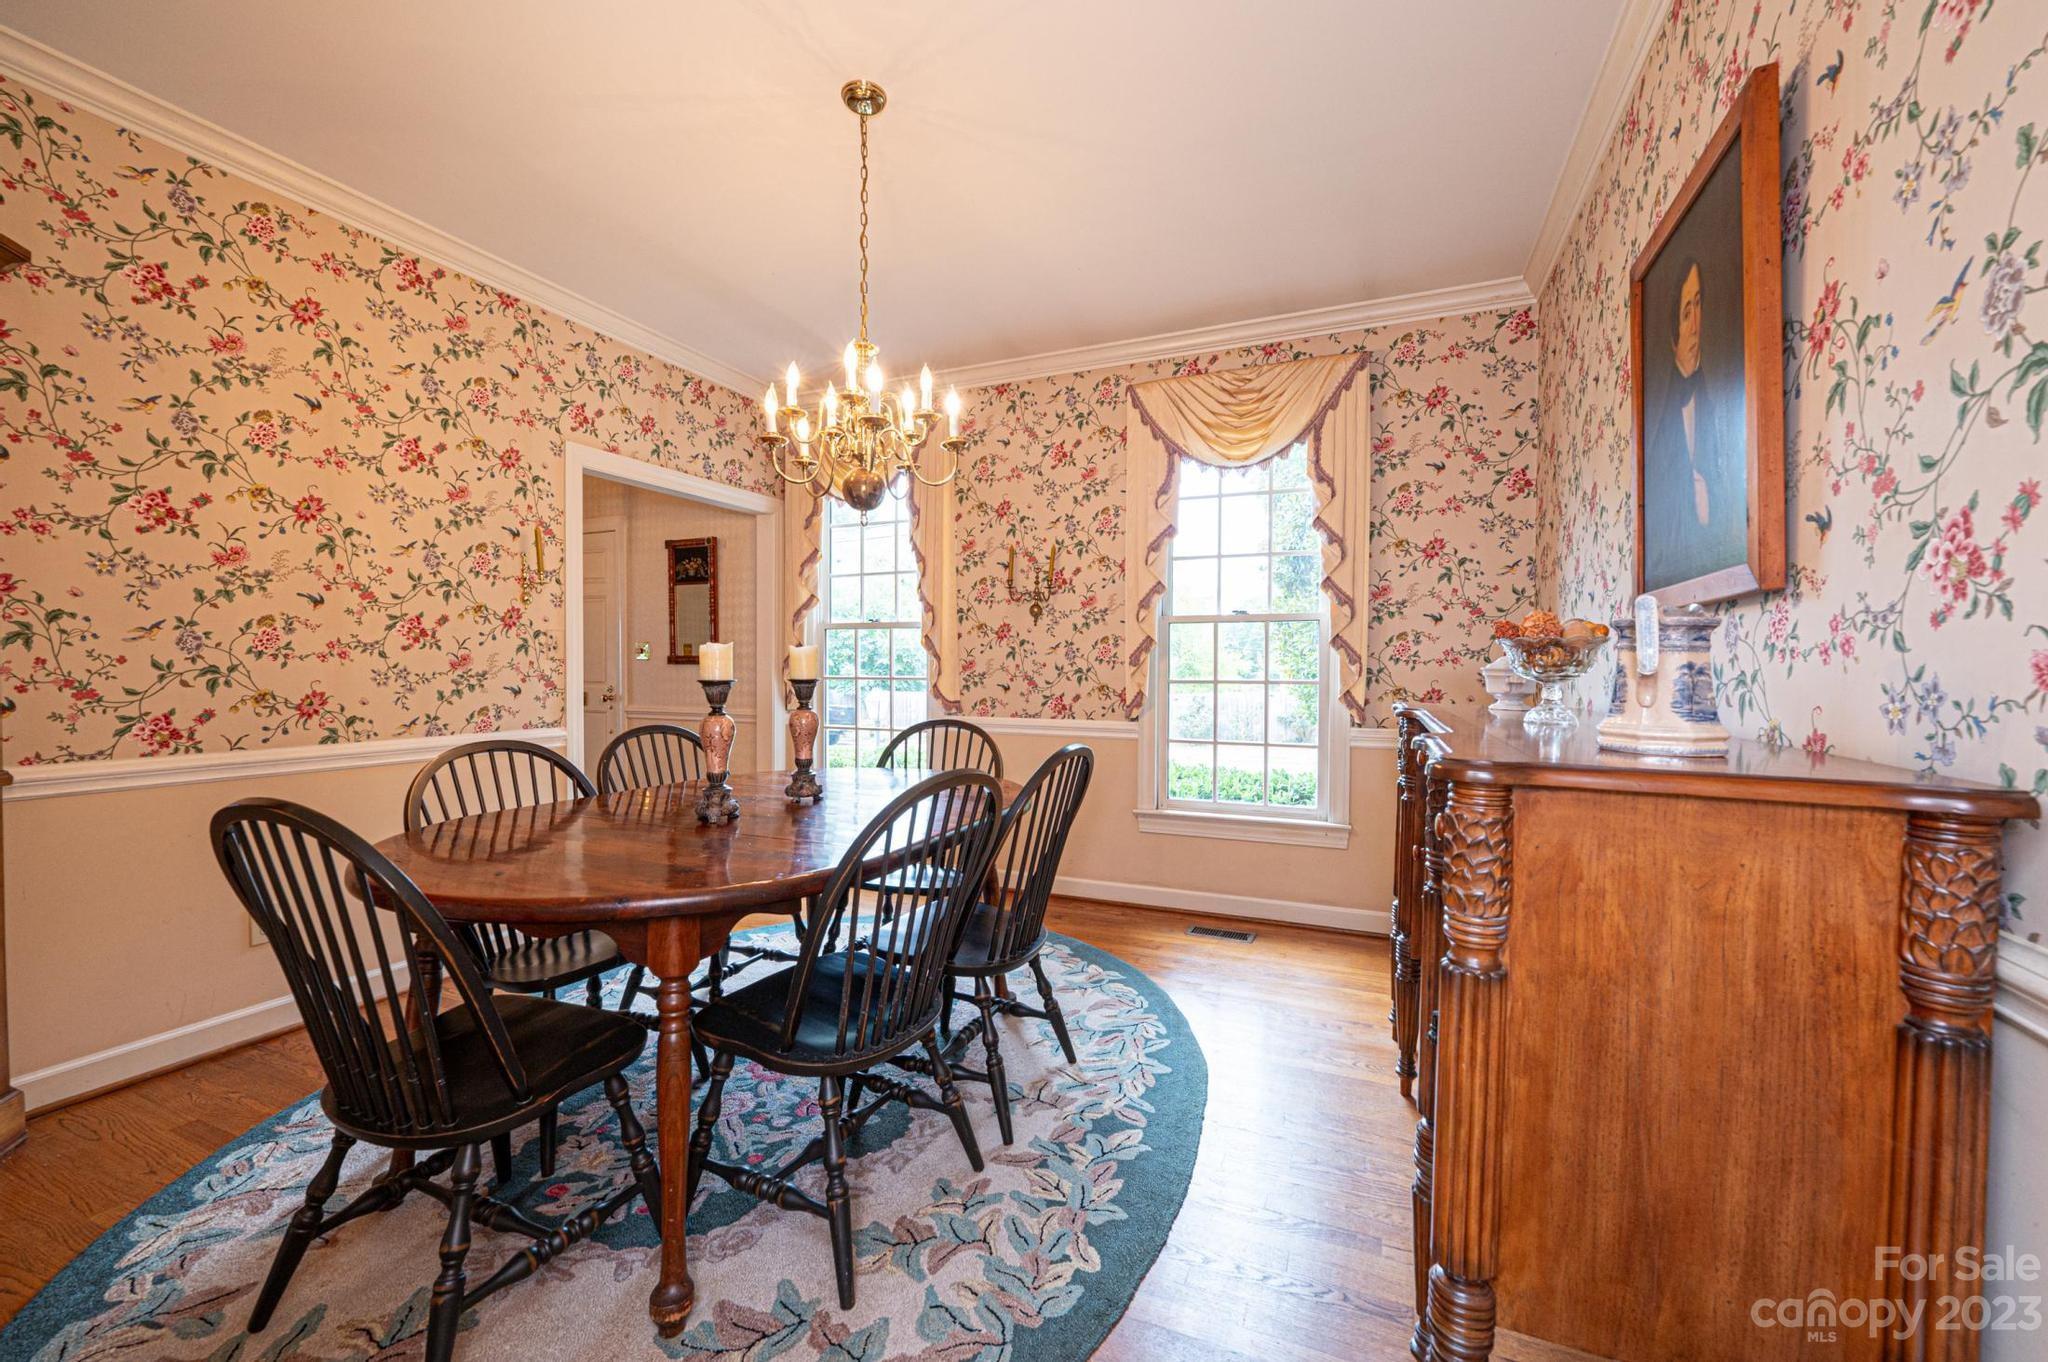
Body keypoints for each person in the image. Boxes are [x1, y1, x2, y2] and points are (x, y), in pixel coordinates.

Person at [1643, 259, 1745, 588]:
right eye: (1687, 312)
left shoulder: (1717, 403)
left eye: (1699, 305)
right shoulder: (1657, 425)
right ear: (1672, 333)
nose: (1696, 325)